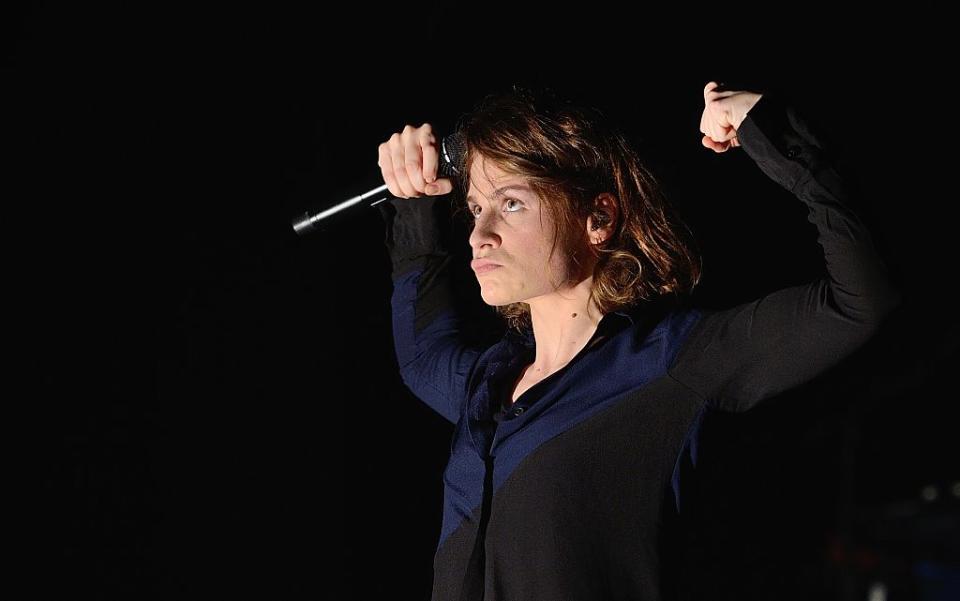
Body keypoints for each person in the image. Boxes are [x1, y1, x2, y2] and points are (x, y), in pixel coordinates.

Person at [374, 81, 900, 600]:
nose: (478, 233)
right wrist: (415, 201)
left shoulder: (667, 364)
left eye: (511, 204)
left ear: (598, 218)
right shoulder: (485, 386)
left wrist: (773, 132)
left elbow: (858, 301)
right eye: (475, 206)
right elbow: (423, 356)